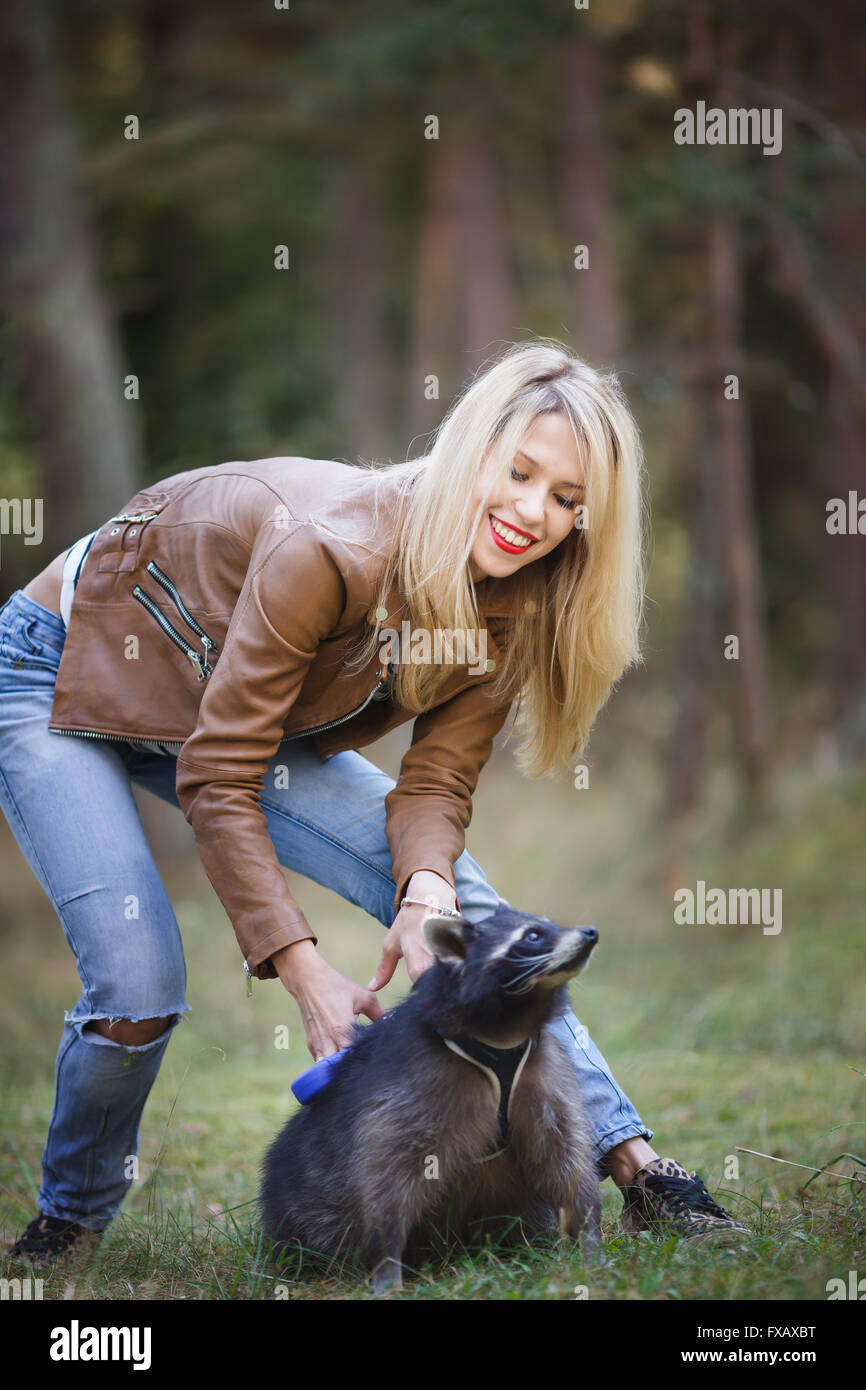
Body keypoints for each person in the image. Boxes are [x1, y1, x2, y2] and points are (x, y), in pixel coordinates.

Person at [0, 339, 748, 1264]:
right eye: (519, 473)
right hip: (61, 669)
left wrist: (424, 884)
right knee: (138, 984)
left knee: (469, 906)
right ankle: (70, 1218)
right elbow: (219, 777)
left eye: (568, 500)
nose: (532, 514)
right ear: (477, 446)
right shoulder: (331, 549)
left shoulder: (512, 599)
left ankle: (636, 1165)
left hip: (218, 706)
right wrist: (305, 970)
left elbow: (434, 782)